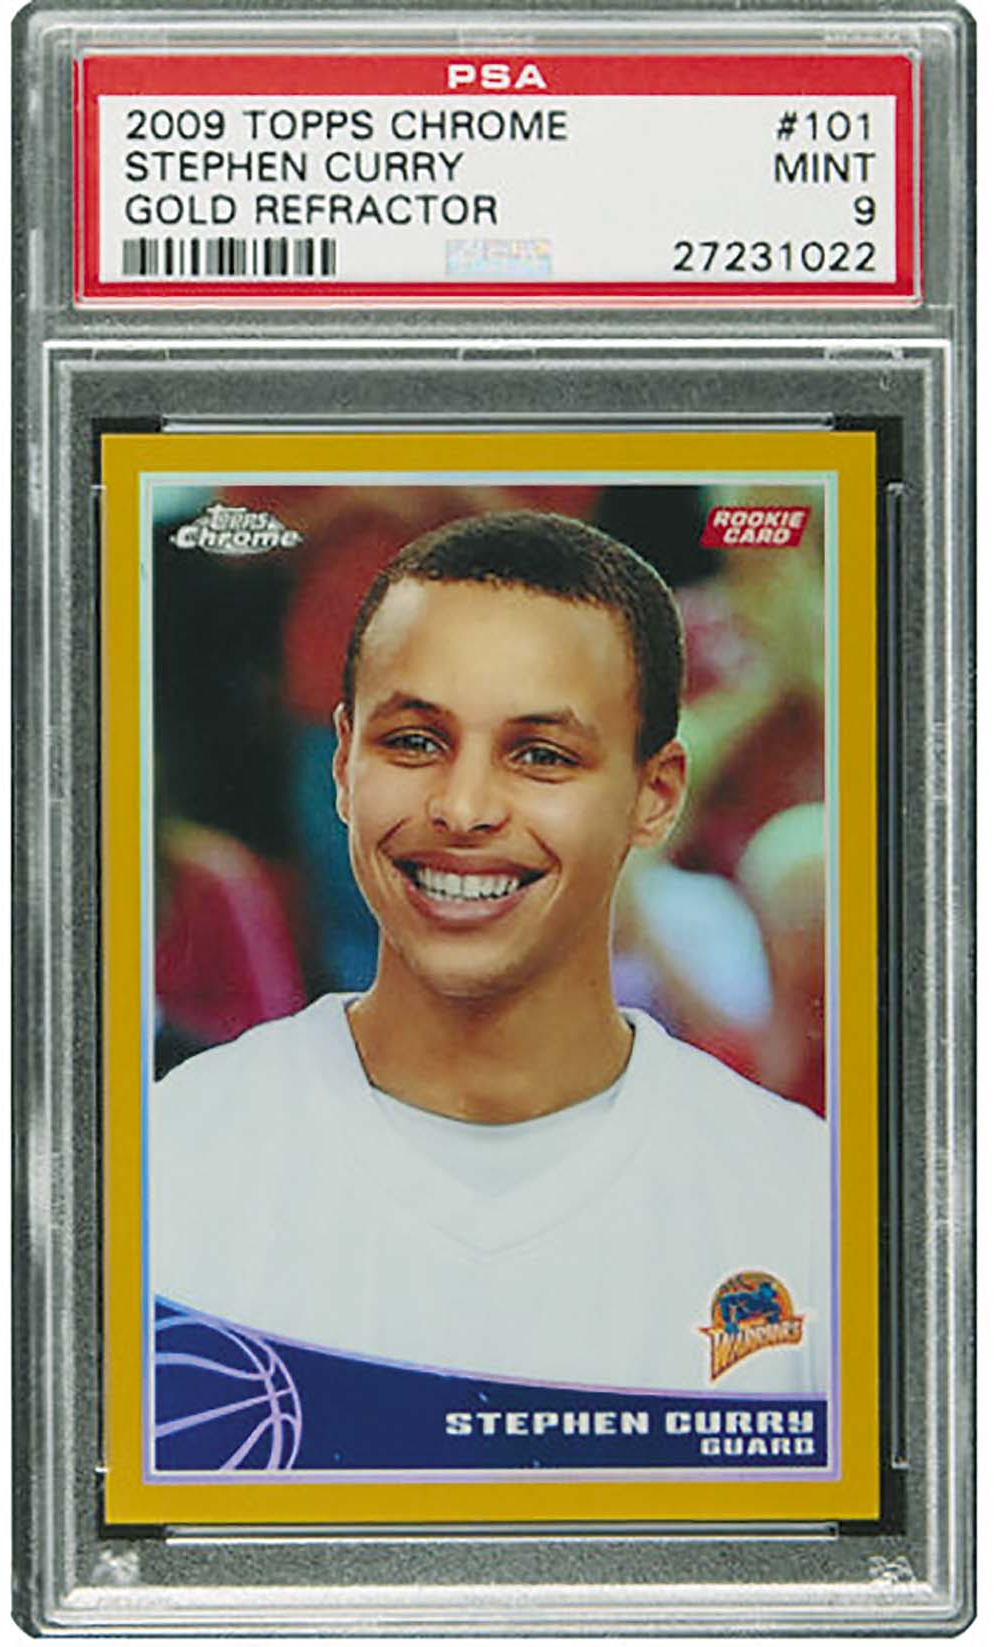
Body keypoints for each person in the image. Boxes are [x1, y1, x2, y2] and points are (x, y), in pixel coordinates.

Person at [151, 511, 829, 1398]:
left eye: (540, 754)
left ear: (655, 796)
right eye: (414, 741)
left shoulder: (798, 1198)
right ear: (344, 765)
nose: (464, 807)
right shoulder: (168, 1163)